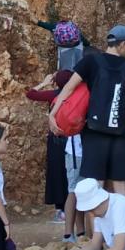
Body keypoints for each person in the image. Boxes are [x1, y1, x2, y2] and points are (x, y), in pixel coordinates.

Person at [49, 25, 125, 196]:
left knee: (96, 185)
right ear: (122, 44)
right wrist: (120, 115)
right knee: (120, 186)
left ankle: (96, 215)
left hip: (94, 132)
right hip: (119, 133)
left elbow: (68, 88)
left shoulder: (90, 62)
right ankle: (123, 215)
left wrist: (53, 114)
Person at [26, 69, 74, 231]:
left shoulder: (54, 95)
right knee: (71, 173)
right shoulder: (76, 95)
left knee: (56, 173)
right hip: (72, 138)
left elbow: (31, 94)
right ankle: (74, 210)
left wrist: (45, 83)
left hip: (55, 140)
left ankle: (61, 210)